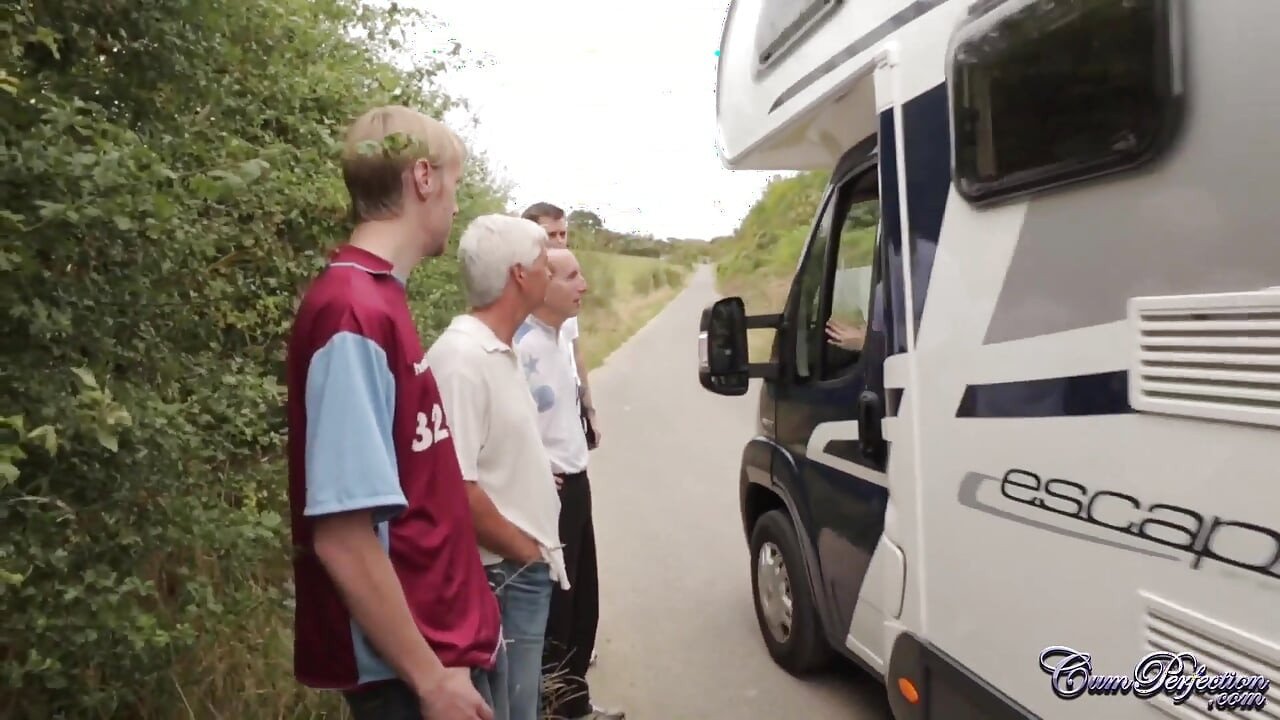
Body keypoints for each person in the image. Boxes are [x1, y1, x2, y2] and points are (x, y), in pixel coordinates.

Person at [284, 105, 504, 720]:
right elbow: (344, 537)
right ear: (424, 178)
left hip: (442, 653)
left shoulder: (381, 297)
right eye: (455, 185)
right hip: (410, 679)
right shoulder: (352, 312)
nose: (456, 207)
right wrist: (431, 681)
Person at [426, 214, 569, 720]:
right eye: (543, 265)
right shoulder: (462, 360)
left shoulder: (495, 350)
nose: (551, 274)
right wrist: (524, 552)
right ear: (518, 275)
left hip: (515, 572)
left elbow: (490, 453)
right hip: (502, 576)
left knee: (521, 707)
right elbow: (453, 487)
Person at [513, 248, 625, 720]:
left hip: (576, 482)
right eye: (573, 276)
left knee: (583, 604)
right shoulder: (520, 348)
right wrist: (537, 467)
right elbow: (504, 430)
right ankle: (555, 708)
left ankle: (575, 705)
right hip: (550, 493)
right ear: (542, 284)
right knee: (557, 612)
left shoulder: (558, 337)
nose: (584, 285)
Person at [519, 203, 601, 450]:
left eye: (562, 234)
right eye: (550, 235)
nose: (558, 241)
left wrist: (590, 410)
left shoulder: (566, 296)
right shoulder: (522, 296)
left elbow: (576, 354)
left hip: (569, 397)